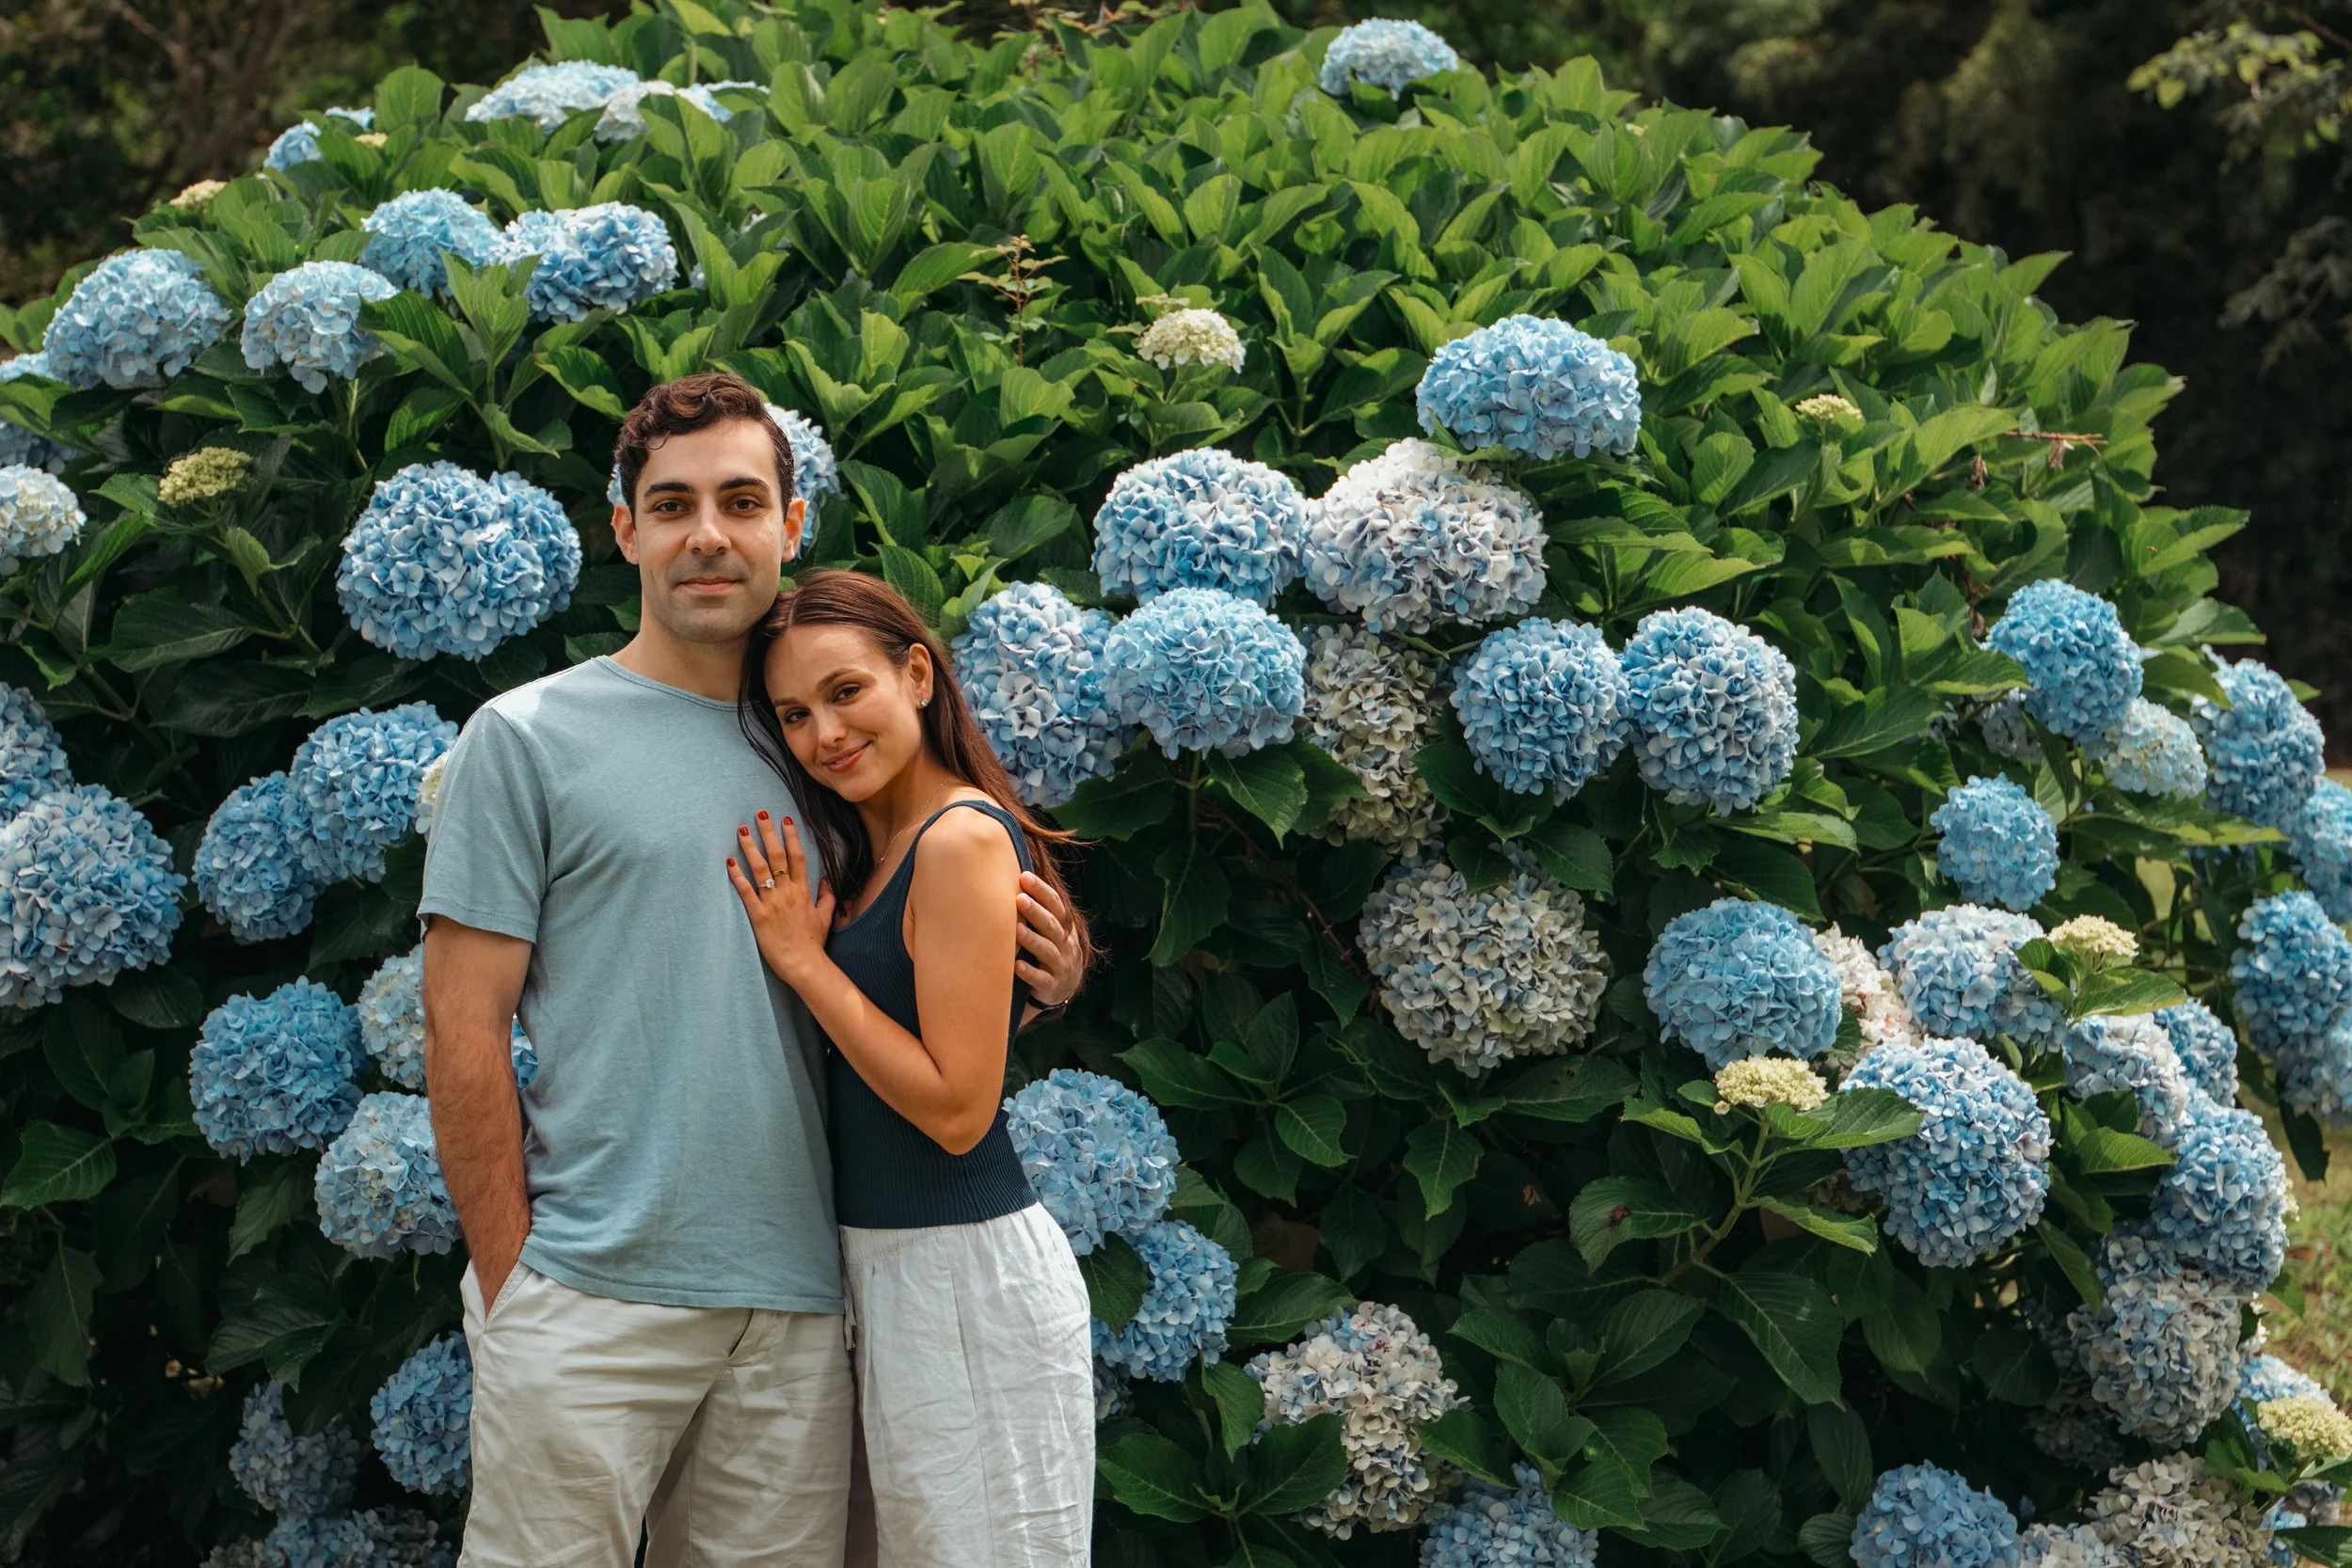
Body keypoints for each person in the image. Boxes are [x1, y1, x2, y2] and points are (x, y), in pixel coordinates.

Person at [419, 372, 1086, 1568]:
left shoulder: (830, 747)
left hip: (799, 1297)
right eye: (671, 505)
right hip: (587, 1286)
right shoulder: (524, 739)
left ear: (793, 524)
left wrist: (1053, 973)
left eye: (740, 499)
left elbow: (918, 961)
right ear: (624, 531)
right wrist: (513, 1281)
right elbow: (462, 1027)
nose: (708, 534)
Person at [725, 568, 1095, 1568]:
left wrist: (803, 962)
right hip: (876, 1271)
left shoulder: (959, 838)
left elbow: (957, 1109)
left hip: (959, 1276)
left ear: (917, 674)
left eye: (846, 692)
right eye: (795, 713)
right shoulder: (869, 846)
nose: (824, 734)